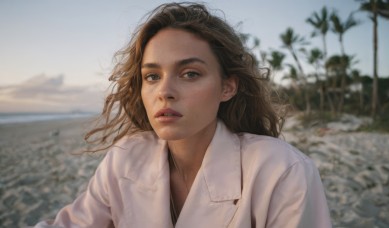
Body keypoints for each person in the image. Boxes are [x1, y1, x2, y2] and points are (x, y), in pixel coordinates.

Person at [32, 2, 331, 228]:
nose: (165, 91)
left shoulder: (282, 170)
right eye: (152, 77)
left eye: (190, 73)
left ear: (227, 87)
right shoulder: (125, 158)